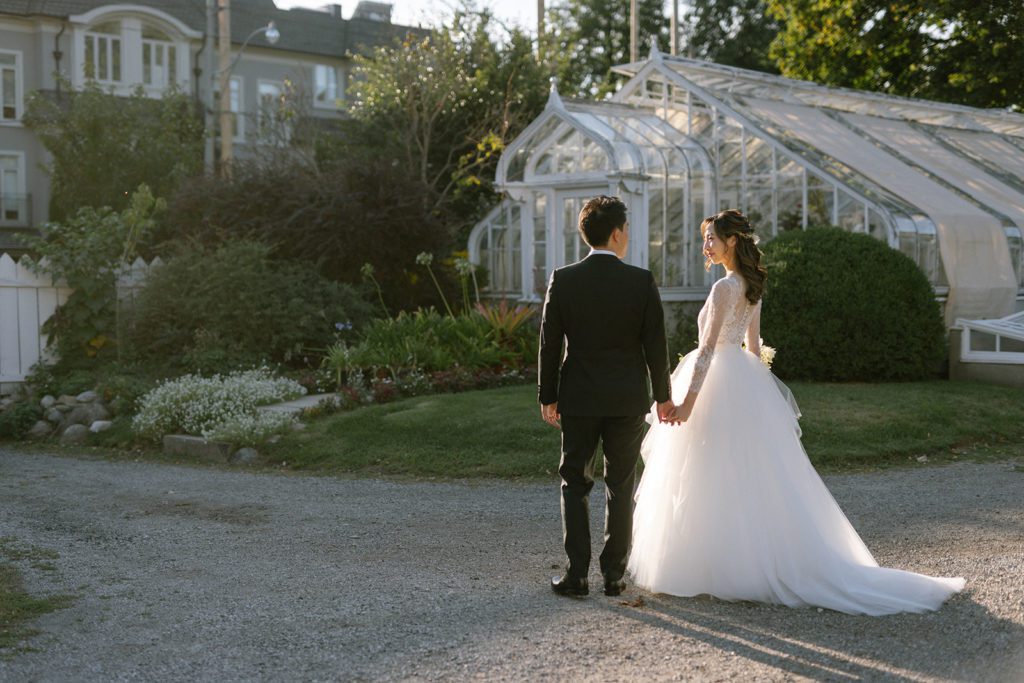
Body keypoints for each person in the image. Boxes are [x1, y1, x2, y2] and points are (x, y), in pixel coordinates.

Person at [627, 209, 965, 615]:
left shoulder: (722, 289)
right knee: (748, 475)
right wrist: (754, 394)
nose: (706, 245)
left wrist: (686, 404)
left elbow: (704, 355)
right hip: (741, 381)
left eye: (711, 238)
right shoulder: (752, 286)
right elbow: (753, 349)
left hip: (717, 380)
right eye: (705, 239)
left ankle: (717, 564)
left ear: (732, 241)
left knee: (710, 472)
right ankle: (748, 559)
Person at [538, 195, 674, 598]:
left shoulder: (563, 279)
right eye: (627, 229)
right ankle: (614, 575)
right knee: (621, 484)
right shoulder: (640, 281)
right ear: (616, 234)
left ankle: (576, 575)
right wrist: (663, 396)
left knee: (574, 483)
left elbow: (549, 342)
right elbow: (656, 346)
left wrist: (548, 395)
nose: (628, 236)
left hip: (578, 397)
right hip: (627, 398)